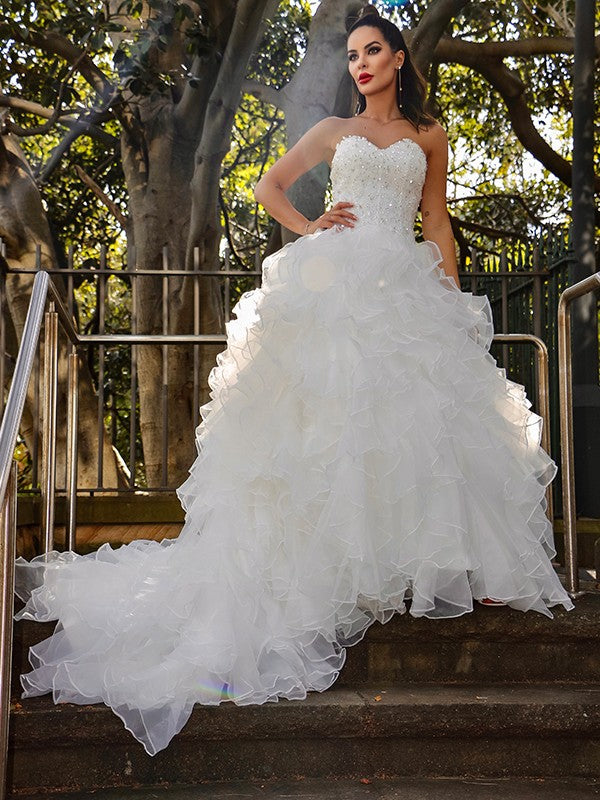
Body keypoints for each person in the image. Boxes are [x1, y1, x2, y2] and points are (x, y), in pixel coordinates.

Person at [13, 4, 574, 758]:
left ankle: (438, 564)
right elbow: (268, 186)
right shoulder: (335, 131)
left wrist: (450, 295)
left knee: (419, 425)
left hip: (404, 286)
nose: (360, 64)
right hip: (336, 284)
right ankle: (327, 564)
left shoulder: (429, 135)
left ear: (398, 58)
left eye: (372, 51)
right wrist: (312, 228)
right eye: (352, 55)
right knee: (328, 425)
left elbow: (436, 219)